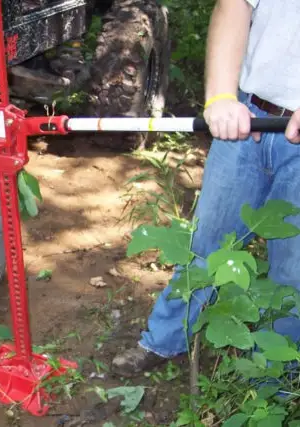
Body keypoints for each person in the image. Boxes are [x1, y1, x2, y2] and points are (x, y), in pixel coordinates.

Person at [111, 0, 300, 377]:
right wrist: (220, 96)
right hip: (246, 120)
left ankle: (274, 378)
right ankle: (165, 340)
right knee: (204, 246)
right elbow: (235, 5)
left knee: (294, 273)